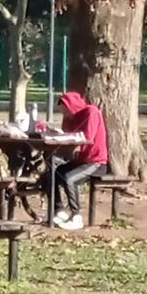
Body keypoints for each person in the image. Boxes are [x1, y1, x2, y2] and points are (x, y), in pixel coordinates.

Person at [51, 90, 108, 230]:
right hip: (80, 161)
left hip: (96, 161)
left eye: (66, 111)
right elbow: (68, 134)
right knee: (52, 174)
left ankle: (76, 216)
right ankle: (59, 210)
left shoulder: (91, 112)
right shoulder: (70, 119)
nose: (65, 115)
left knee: (69, 178)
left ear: (72, 107)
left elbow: (87, 137)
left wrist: (73, 143)